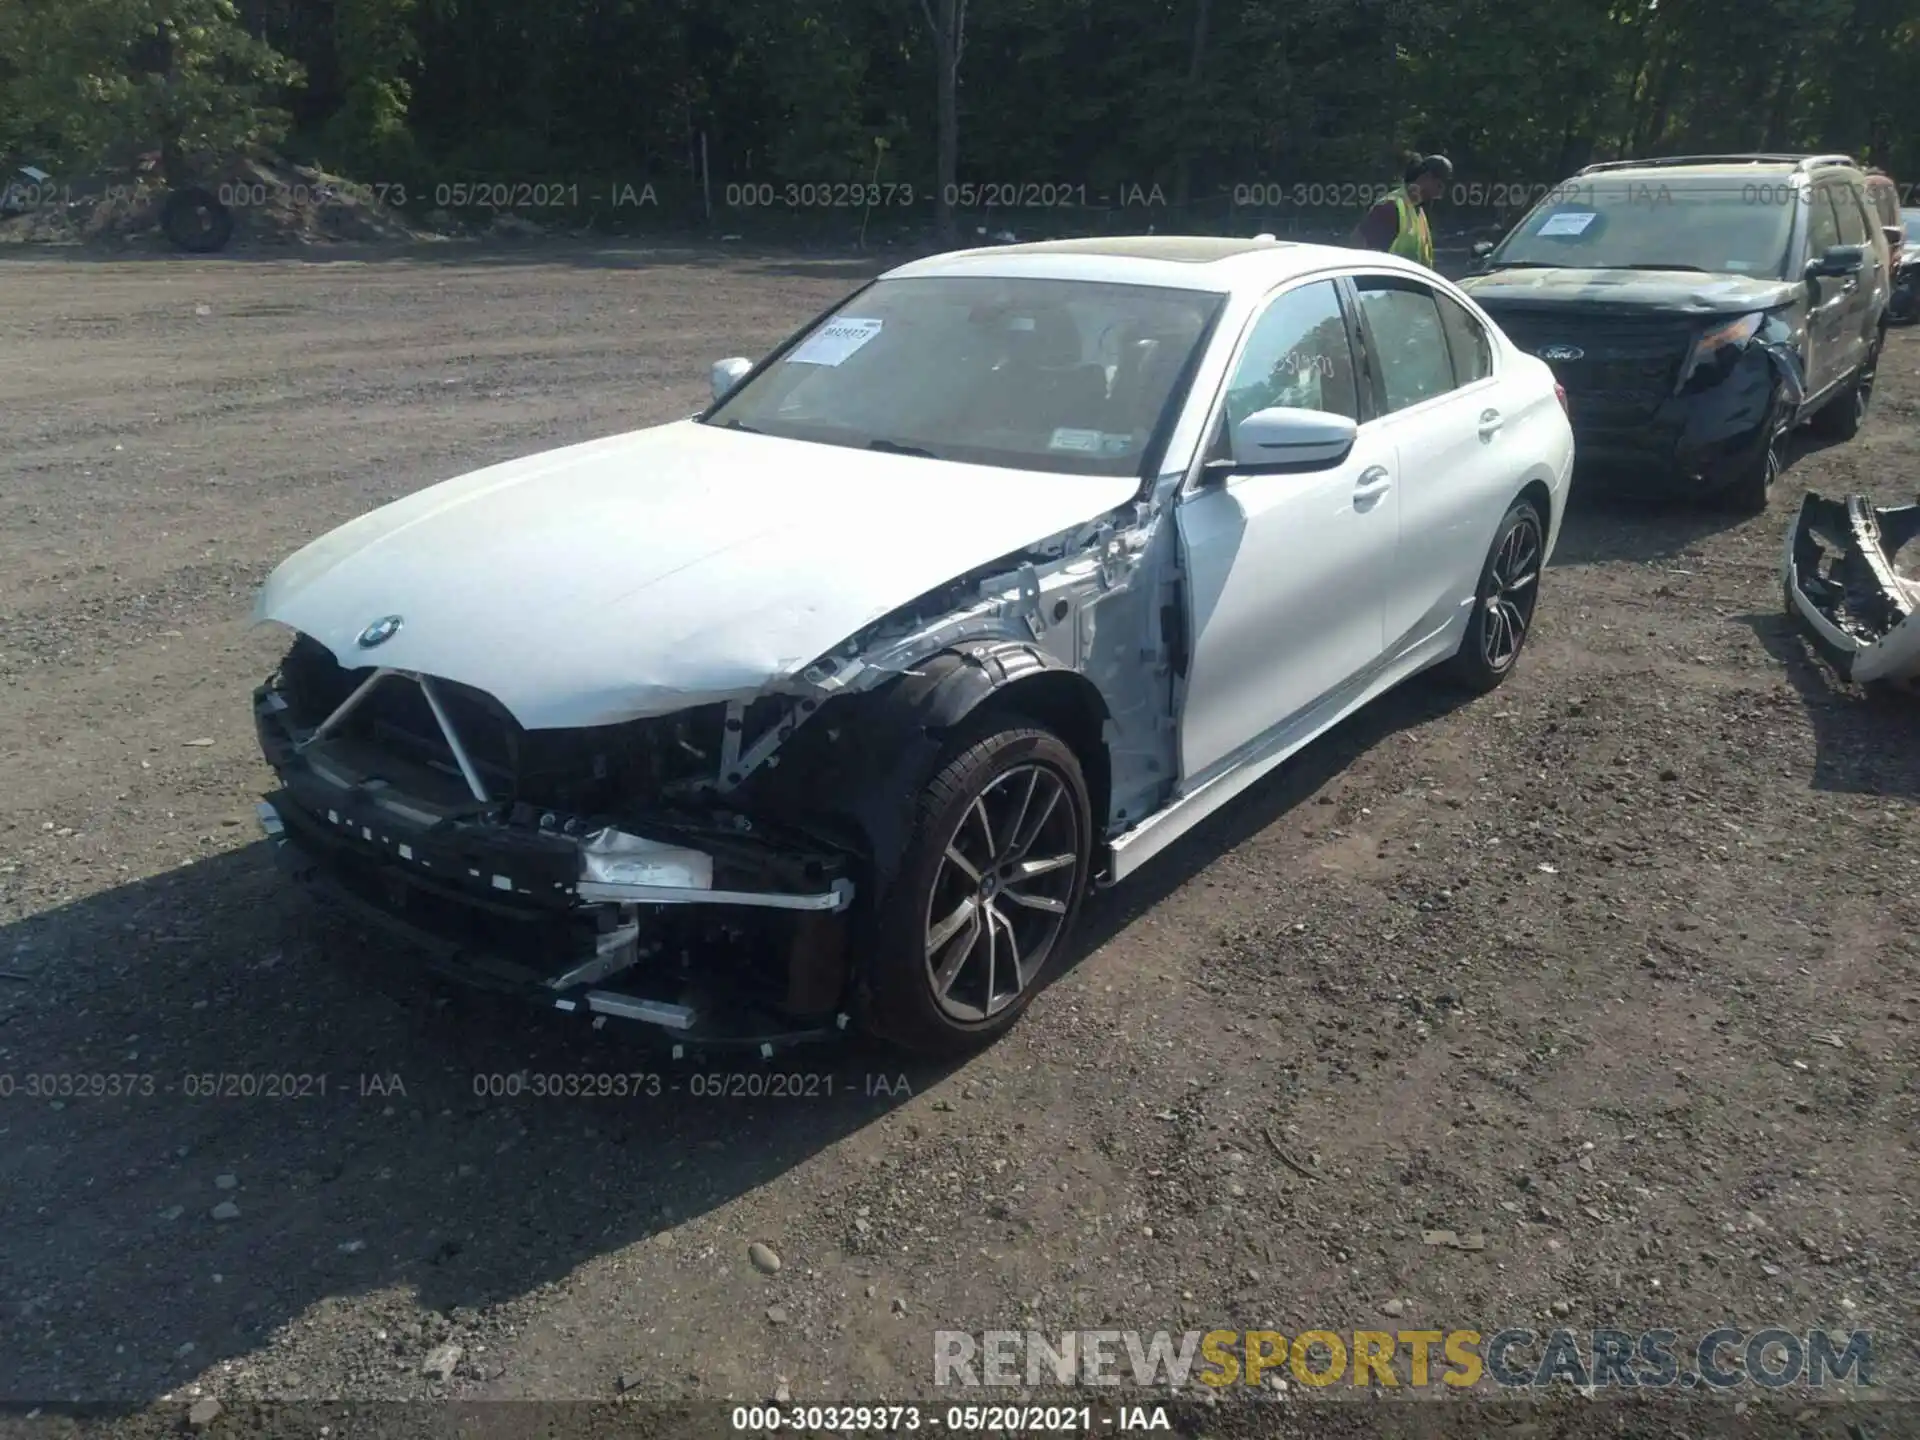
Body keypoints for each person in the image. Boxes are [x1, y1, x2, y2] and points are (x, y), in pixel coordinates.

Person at [1353, 154, 1453, 267]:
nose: (1441, 192)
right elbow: (1362, 252)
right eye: (1440, 185)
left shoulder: (1418, 212)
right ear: (1426, 178)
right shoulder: (1390, 208)